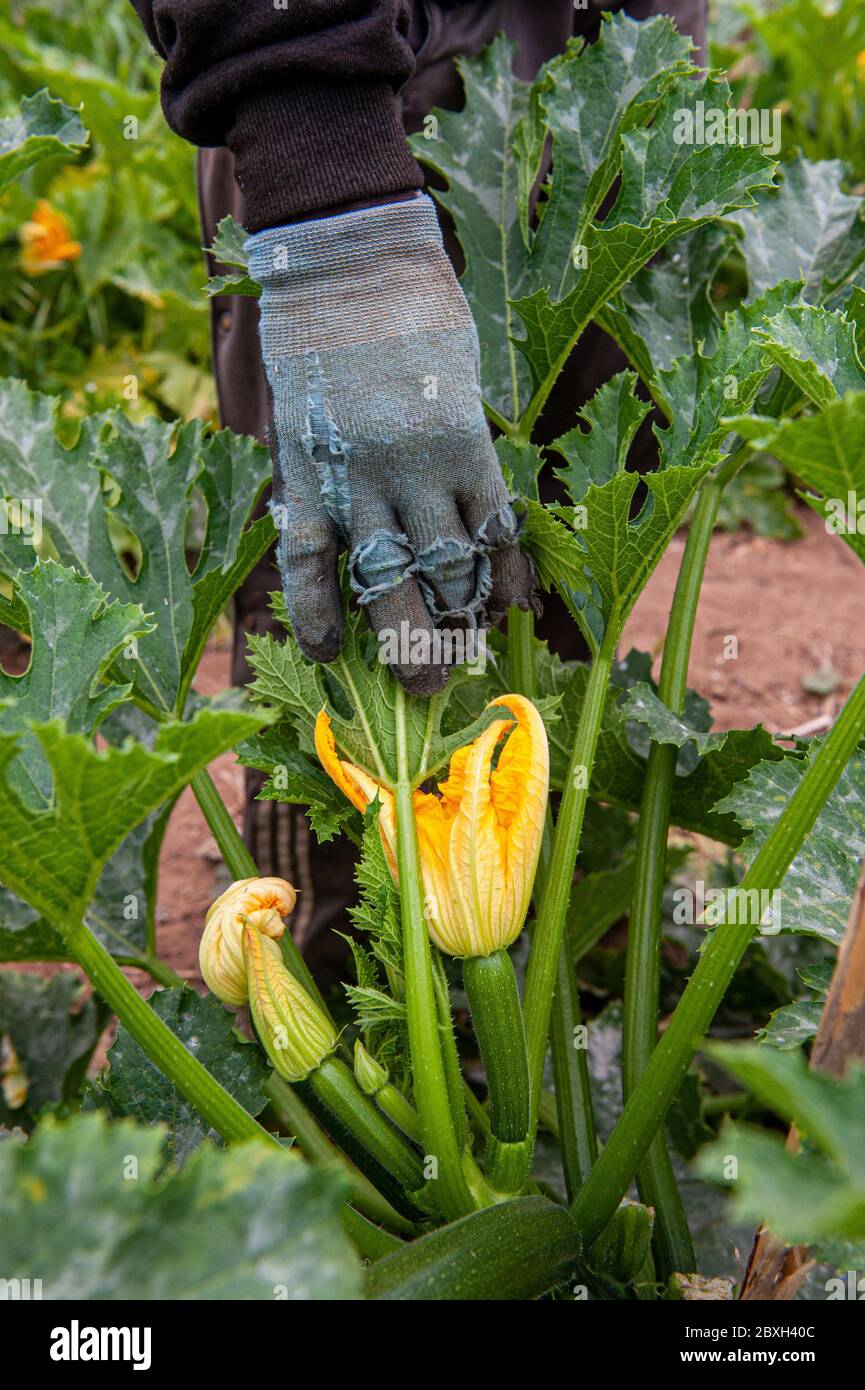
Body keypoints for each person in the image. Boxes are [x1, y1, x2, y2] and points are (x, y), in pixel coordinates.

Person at [130, 0, 706, 981]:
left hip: (621, 33)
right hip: (372, 64)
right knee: (359, 564)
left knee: (567, 542)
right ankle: (359, 987)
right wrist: (323, 181)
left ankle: (562, 948)